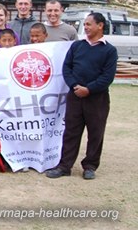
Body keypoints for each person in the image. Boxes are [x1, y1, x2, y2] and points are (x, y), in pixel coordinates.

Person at [46, 13, 117, 180]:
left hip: (97, 99)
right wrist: (74, 86)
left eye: (89, 24)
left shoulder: (109, 50)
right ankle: (65, 166)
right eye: (84, 24)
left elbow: (108, 77)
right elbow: (67, 68)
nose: (85, 27)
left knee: (95, 133)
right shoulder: (77, 46)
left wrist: (89, 89)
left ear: (100, 26)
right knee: (71, 132)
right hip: (75, 96)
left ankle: (90, 166)